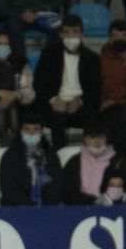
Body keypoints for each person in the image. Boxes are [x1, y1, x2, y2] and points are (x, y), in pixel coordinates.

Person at [33, 14, 101, 150]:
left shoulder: (92, 58)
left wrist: (79, 101)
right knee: (56, 118)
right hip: (57, 103)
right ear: (60, 35)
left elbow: (96, 88)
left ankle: (90, 156)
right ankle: (60, 157)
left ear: (82, 34)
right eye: (66, 32)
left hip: (80, 104)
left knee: (92, 115)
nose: (71, 36)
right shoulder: (48, 54)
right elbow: (39, 83)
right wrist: (54, 100)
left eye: (75, 32)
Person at [0, 112, 64, 205]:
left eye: (36, 129)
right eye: (27, 129)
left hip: (47, 207)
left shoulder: (50, 155)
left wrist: (44, 204)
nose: (31, 133)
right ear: (21, 131)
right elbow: (8, 187)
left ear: (41, 132)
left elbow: (57, 183)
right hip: (17, 208)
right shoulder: (10, 156)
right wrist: (28, 206)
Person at [62, 123, 122, 204]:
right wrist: (89, 202)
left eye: (101, 138)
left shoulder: (116, 162)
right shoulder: (74, 162)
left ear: (106, 139)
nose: (97, 142)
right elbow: (66, 191)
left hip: (109, 208)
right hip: (78, 207)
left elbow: (124, 189)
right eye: (93, 138)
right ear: (86, 140)